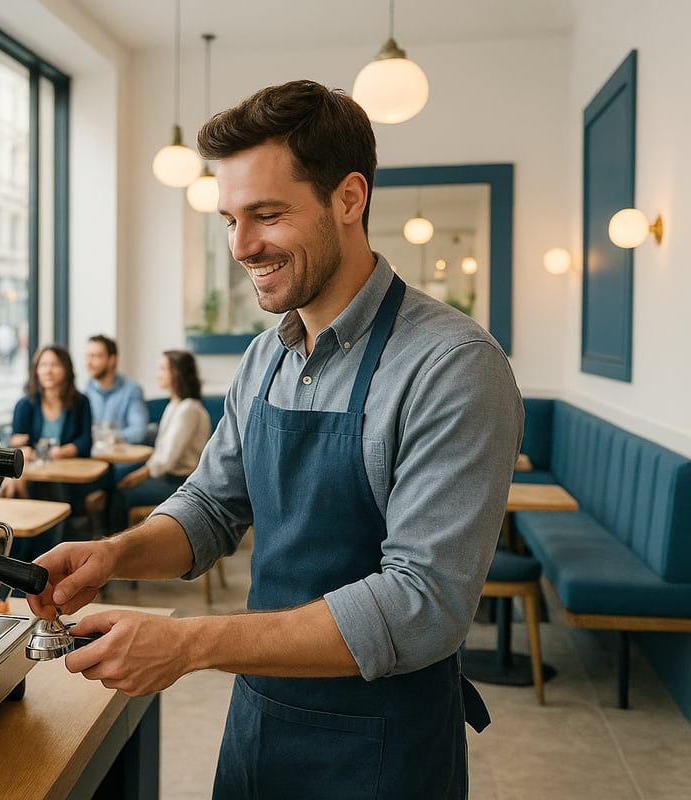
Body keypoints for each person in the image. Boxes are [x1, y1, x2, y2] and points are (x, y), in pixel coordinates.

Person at [27, 80, 523, 798]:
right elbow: (212, 506)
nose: (241, 245)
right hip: (261, 722)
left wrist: (190, 644)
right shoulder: (266, 358)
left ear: (349, 198)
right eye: (230, 219)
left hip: (384, 749)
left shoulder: (453, 366)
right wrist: (115, 553)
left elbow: (423, 605)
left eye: (266, 215)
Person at [0, 344, 93, 560]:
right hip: (33, 474)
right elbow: (16, 440)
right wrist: (22, 447)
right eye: (43, 365)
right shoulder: (26, 404)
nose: (48, 371)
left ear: (66, 370)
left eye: (54, 365)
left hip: (67, 475)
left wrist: (58, 453)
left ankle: (51, 557)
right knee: (23, 493)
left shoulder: (80, 402)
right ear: (36, 370)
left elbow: (85, 442)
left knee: (55, 491)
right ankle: (21, 556)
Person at [107, 350, 210, 533]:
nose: (158, 374)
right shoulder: (175, 405)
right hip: (169, 477)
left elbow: (167, 459)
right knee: (116, 480)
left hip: (180, 482)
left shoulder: (188, 410)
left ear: (176, 373)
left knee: (121, 494)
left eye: (162, 368)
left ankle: (117, 552)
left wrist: (140, 475)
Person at [83, 334, 149, 445]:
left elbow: (138, 431)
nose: (88, 363)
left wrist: (106, 437)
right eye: (87, 356)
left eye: (95, 356)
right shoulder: (86, 391)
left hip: (121, 457)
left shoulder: (131, 390)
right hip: (93, 457)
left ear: (112, 360)